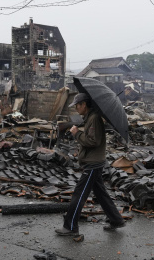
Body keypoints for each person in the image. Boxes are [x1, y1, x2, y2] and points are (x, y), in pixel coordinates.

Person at [55, 93, 125, 236]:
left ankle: (70, 227)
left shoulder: (93, 118)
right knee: (101, 194)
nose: (76, 108)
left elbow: (93, 142)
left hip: (93, 164)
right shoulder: (90, 118)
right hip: (94, 162)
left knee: (79, 195)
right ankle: (116, 220)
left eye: (77, 105)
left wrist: (77, 134)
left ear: (84, 105)